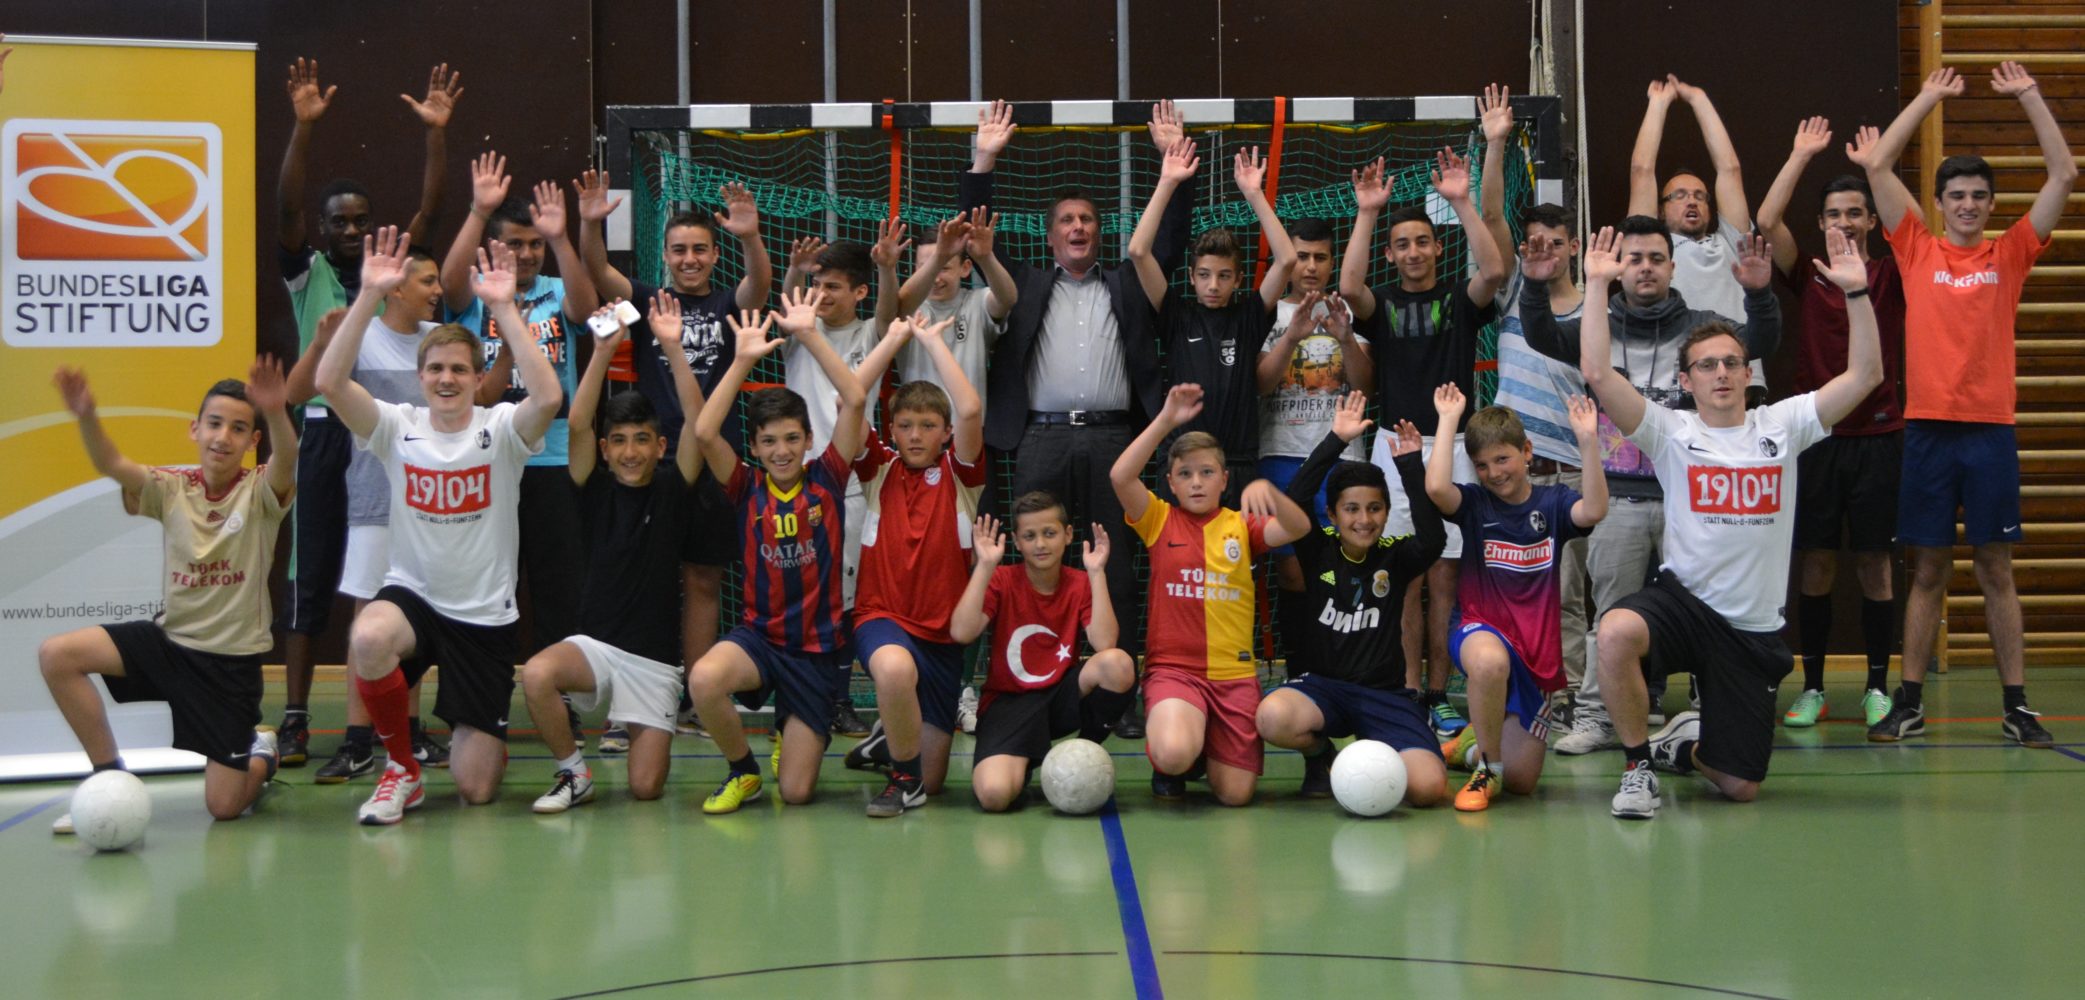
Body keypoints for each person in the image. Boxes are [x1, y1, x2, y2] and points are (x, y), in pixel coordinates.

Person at [1578, 225, 1881, 819]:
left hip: (1750, 628)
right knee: (1614, 632)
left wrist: (1857, 295)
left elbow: (1865, 377)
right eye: (1706, 365)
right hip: (1685, 603)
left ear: (1748, 373)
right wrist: (1594, 285)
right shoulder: (1672, 431)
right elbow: (1597, 371)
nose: (1720, 373)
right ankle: (1637, 767)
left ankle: (1682, 749)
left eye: (1731, 363)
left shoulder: (1783, 425)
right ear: (1685, 381)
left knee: (1739, 786)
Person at [1851, 64, 2074, 748]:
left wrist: (2030, 95)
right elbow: (1879, 162)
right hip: (1926, 433)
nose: (1969, 204)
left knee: (1994, 568)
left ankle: (2015, 705)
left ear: (1988, 203)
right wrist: (1926, 95)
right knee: (1926, 568)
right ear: (1940, 203)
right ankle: (1909, 702)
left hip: (1988, 434)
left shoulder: (2010, 254)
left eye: (1979, 195)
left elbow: (2063, 174)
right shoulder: (1915, 247)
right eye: (1957, 194)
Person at [960, 100, 1196, 738]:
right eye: (1066, 220)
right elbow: (977, 231)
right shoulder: (1024, 285)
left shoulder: (1128, 284)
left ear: (1101, 231)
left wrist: (1173, 164)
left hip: (1117, 439)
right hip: (1039, 437)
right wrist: (984, 159)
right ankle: (1027, 674)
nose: (1078, 228)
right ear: (1049, 233)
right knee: (1035, 557)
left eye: (1088, 220)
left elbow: (1168, 241)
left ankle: (1114, 683)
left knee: (1112, 562)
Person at [321, 230, 564, 825]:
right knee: (369, 638)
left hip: (483, 617)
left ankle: (468, 736)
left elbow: (550, 395)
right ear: (420, 374)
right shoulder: (395, 427)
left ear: (478, 378)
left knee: (477, 789)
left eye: (459, 368)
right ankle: (401, 767)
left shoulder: (503, 428)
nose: (447, 378)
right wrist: (368, 297)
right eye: (435, 369)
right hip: (416, 597)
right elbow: (330, 383)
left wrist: (504, 310)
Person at [1521, 214, 1781, 754]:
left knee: (1709, 612)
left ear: (1672, 265)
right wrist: (1534, 282)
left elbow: (1760, 341)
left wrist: (1758, 293)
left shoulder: (1704, 325)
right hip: (1617, 498)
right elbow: (1542, 334)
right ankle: (1597, 716)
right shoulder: (1598, 325)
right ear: (1619, 270)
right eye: (1633, 259)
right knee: (1611, 614)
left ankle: (1715, 711)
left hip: (1694, 502)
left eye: (1656, 258)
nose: (1645, 268)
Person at [273, 57, 461, 769]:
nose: (352, 230)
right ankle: (295, 715)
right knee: (315, 574)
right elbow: (286, 208)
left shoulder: (392, 275)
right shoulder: (311, 273)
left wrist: (436, 137)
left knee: (400, 586)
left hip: (393, 447)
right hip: (326, 434)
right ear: (322, 231)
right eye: (339, 222)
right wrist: (302, 127)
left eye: (360, 219)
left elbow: (432, 214)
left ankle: (399, 725)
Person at [42, 359, 296, 833]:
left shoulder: (261, 492)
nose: (223, 437)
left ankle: (262, 755)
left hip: (228, 668)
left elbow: (288, 458)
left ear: (252, 442)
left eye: (238, 428)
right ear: (195, 430)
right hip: (171, 646)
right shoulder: (172, 488)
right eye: (215, 424)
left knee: (224, 807)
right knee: (58, 656)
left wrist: (277, 410)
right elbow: (111, 465)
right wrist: (86, 416)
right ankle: (109, 780)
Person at [576, 171, 772, 751]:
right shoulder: (645, 301)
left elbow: (757, 288)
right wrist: (591, 224)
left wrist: (751, 236)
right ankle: (630, 697)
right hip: (651, 467)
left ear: (714, 254)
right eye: (679, 250)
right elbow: (597, 272)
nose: (689, 259)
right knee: (645, 578)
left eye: (700, 250)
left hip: (713, 462)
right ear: (664, 255)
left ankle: (691, 695)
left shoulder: (724, 302)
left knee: (704, 578)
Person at [516, 293, 710, 812]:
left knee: (646, 788)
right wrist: (602, 351)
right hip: (595, 650)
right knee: (536, 674)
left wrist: (673, 348)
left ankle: (639, 729)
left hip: (655, 664)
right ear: (606, 450)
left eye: (642, 440)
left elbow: (698, 424)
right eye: (619, 441)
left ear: (659, 446)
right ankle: (572, 772)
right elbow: (578, 422)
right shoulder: (592, 486)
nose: (630, 452)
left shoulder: (674, 485)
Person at [1338, 146, 1506, 738]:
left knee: (1445, 577)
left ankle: (1440, 691)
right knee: (1405, 574)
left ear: (1437, 248)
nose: (1412, 251)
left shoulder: (1459, 301)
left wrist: (1461, 201)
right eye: (1401, 243)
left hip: (1454, 447)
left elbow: (1493, 272)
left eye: (1422, 242)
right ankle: (1408, 688)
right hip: (1394, 446)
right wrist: (1366, 214)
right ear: (1392, 253)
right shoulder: (1380, 304)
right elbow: (1349, 284)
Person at [685, 291, 872, 812]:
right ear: (756, 447)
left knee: (795, 793)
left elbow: (855, 399)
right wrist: (744, 359)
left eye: (791, 439)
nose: (781, 450)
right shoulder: (745, 486)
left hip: (815, 653)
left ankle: (791, 732)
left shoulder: (829, 478)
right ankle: (742, 771)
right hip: (761, 640)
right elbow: (704, 431)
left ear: (810, 439)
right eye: (769, 442)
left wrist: (809, 334)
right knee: (703, 678)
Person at [1755, 117, 1907, 728]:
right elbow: (1765, 223)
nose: (1844, 222)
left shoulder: (1895, 274)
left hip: (1880, 438)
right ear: (1820, 224)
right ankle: (1813, 687)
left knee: (1873, 563)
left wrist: (1878, 169)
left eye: (1855, 213)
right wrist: (1798, 154)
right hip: (1816, 437)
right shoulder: (1811, 273)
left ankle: (1877, 687)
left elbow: (1913, 224)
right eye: (1834, 214)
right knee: (1815, 560)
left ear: (1871, 221)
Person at [282, 250, 448, 783]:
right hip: (373, 502)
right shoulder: (363, 333)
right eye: (428, 280)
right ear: (396, 289)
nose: (438, 289)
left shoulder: (437, 339)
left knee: (416, 619)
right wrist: (320, 344)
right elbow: (297, 392)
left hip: (427, 507)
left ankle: (411, 730)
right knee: (366, 624)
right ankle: (357, 741)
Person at [1112, 384, 1311, 805]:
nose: (1196, 482)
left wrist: (1273, 494)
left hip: (1233, 677)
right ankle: (1179, 753)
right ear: (1170, 483)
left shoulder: (1243, 525)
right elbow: (1120, 476)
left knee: (1236, 796)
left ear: (1224, 478)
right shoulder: (1158, 520)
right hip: (1175, 673)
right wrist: (1165, 420)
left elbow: (1298, 528)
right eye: (1185, 474)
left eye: (1206, 473)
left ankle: (1201, 746)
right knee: (1172, 752)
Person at [440, 155, 600, 667]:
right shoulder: (480, 294)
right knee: (491, 583)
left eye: (534, 244)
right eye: (516, 243)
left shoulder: (556, 291)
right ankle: (486, 690)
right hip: (489, 462)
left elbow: (583, 309)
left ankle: (558, 694)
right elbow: (448, 284)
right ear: (494, 245)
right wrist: (478, 209)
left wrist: (560, 239)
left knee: (559, 586)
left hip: (553, 460)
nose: (526, 254)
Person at [1254, 392, 1447, 808]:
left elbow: (1434, 540)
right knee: (1271, 716)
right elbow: (1295, 500)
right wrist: (1335, 440)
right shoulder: (1316, 546)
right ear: (1333, 513)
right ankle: (1321, 755)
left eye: (1375, 508)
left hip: (1385, 697)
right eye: (1352, 509)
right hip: (1324, 690)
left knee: (1428, 790)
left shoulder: (1395, 556)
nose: (1364, 519)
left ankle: (1399, 745)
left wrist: (1411, 467)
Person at [836, 312, 990, 817]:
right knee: (894, 669)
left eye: (928, 426)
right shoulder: (879, 468)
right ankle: (904, 782)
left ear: (946, 434)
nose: (916, 435)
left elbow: (969, 408)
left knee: (940, 778)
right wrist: (895, 338)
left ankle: (890, 746)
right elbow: (849, 400)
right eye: (905, 425)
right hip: (880, 616)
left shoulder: (961, 476)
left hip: (942, 637)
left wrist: (930, 341)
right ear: (893, 431)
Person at [1429, 387, 1607, 811]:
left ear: (1527, 451)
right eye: (1483, 465)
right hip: (1478, 626)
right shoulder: (1474, 504)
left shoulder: (1554, 503)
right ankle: (1487, 766)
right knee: (1490, 663)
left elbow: (1595, 510)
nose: (1493, 472)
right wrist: (1448, 419)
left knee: (1523, 784)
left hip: (1535, 652)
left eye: (1503, 459)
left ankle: (1471, 746)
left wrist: (1588, 441)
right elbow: (1436, 487)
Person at [1480, 86, 1594, 714]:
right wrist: (1497, 141)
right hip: (1510, 477)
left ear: (1573, 247)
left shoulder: (1592, 309)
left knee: (1569, 595)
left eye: (1555, 241)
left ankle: (1571, 694)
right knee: (1510, 590)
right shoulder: (1511, 296)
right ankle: (1518, 687)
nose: (1542, 249)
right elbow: (1493, 216)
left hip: (1570, 472)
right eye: (1534, 243)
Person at [952, 499, 1135, 812]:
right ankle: (1018, 763)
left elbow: (1105, 643)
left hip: (1059, 699)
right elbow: (961, 632)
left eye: (1049, 533)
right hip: (1008, 704)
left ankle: (1084, 748)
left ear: (1067, 535)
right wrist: (984, 566)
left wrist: (1096, 573)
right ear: (1017, 542)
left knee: (1118, 664)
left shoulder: (1079, 582)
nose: (1040, 544)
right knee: (994, 796)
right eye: (1030, 536)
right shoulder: (1002, 580)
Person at [790, 235, 898, 738]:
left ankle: (839, 700)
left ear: (859, 292)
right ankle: (798, 695)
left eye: (832, 286)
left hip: (852, 488)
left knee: (846, 599)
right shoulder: (798, 328)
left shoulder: (871, 334)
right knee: (801, 595)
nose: (821, 294)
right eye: (816, 284)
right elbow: (788, 301)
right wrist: (794, 274)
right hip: (793, 486)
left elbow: (890, 308)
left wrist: (888, 270)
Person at [1256, 219, 1373, 664]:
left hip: (1343, 457)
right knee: (1291, 572)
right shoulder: (1268, 311)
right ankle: (1300, 671)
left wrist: (1344, 337)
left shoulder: (1352, 309)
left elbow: (1367, 386)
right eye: (1301, 256)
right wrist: (1292, 336)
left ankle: (1346, 669)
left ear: (1331, 262)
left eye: (1320, 257)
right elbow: (1262, 385)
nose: (1310, 266)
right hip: (1281, 453)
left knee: (1346, 566)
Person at [1627, 74, 1755, 327]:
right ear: (1660, 211)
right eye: (1679, 196)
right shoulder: (1653, 251)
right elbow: (1641, 171)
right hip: (1680, 364)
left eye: (1699, 196)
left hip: (1735, 362)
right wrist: (1658, 104)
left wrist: (1699, 100)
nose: (1692, 201)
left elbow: (1730, 170)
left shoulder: (1732, 245)